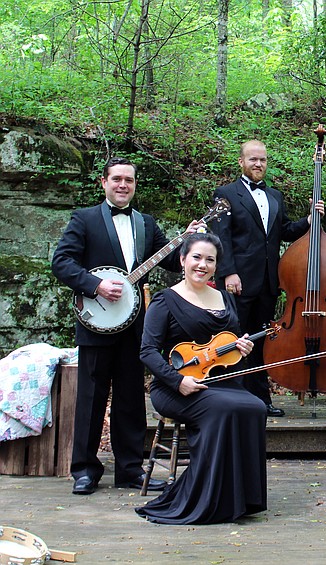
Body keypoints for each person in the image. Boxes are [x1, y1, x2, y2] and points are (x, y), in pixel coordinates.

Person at [51, 157, 203, 495]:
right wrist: (94, 285)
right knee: (91, 398)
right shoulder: (85, 219)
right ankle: (85, 471)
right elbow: (61, 262)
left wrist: (188, 241)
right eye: (117, 179)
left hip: (135, 326)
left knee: (131, 399)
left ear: (135, 185)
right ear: (103, 182)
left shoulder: (146, 224)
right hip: (96, 323)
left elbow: (168, 261)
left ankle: (130, 470)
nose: (123, 185)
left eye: (129, 181)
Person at [136, 232, 268, 524]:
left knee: (256, 407)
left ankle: (240, 497)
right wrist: (177, 381)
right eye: (196, 257)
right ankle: (206, 497)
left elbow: (229, 343)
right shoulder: (165, 300)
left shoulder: (223, 297)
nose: (202, 264)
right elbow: (147, 352)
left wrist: (242, 346)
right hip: (175, 387)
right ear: (183, 260)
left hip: (219, 382)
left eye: (210, 260)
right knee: (225, 409)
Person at [212, 139, 324, 417]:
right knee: (234, 340)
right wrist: (229, 273)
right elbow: (220, 236)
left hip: (268, 283)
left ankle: (260, 400)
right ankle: (231, 400)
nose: (258, 164)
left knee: (260, 342)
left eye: (262, 159)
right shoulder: (225, 193)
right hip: (238, 281)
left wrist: (309, 220)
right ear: (241, 162)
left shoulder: (275, 196)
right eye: (252, 159)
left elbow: (284, 231)